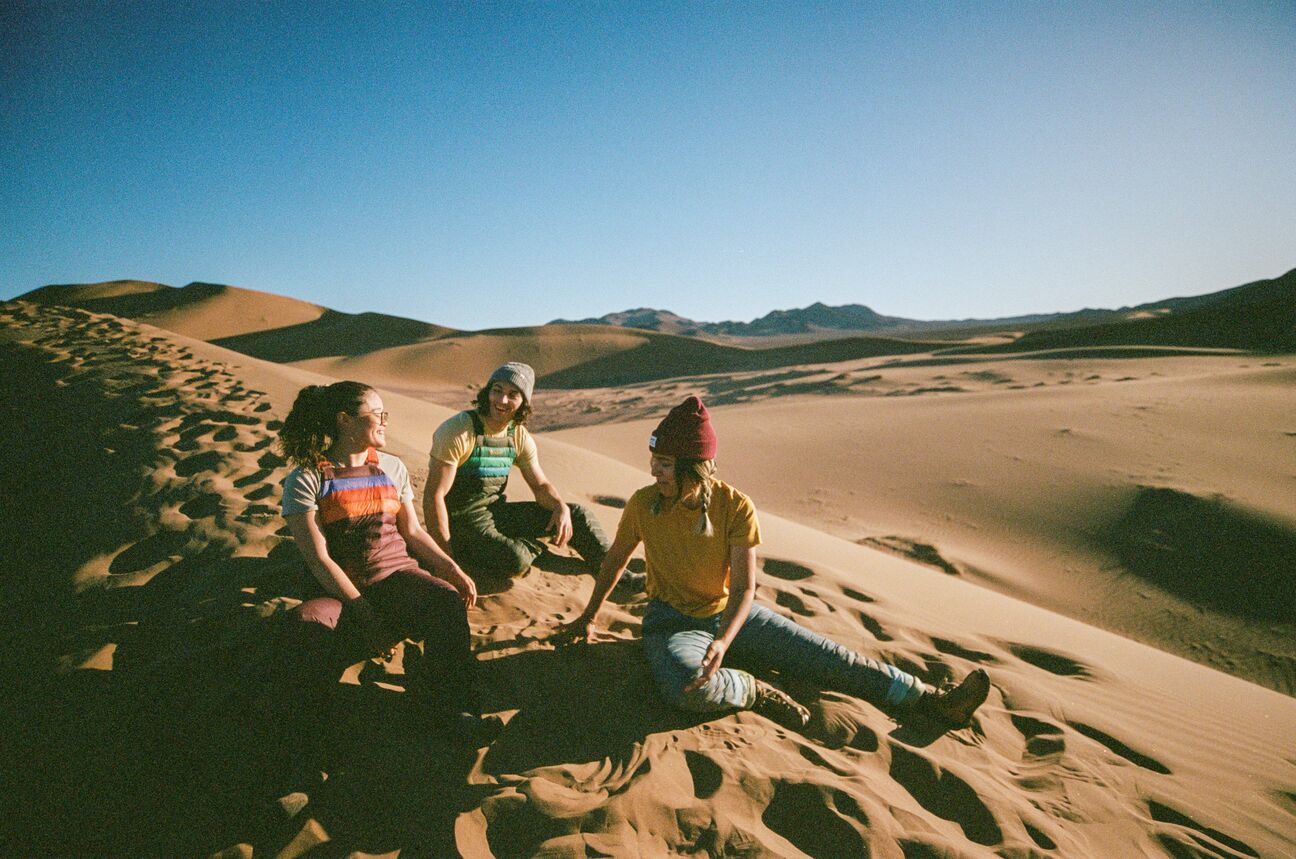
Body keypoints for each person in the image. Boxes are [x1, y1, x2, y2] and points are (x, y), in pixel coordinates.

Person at [560, 395, 990, 731]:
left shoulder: (735, 507)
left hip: (734, 618)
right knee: (687, 688)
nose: (655, 471)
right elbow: (616, 559)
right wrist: (589, 616)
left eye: (666, 464)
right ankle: (750, 689)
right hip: (672, 624)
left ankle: (931, 700)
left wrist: (724, 642)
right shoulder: (643, 504)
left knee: (836, 661)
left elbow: (746, 589)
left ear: (696, 468)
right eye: (654, 461)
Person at [277, 380, 500, 745]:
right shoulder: (307, 479)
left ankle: (453, 709)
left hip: (397, 579)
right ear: (345, 421)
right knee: (305, 624)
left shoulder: (392, 468)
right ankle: (313, 730)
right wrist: (364, 612)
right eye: (377, 414)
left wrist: (451, 568)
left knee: (445, 601)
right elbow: (319, 560)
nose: (384, 421)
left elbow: (413, 532)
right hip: (338, 592)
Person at [423, 362, 614, 582]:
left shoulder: (517, 436)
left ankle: (613, 573)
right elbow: (434, 496)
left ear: (524, 402)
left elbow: (540, 485)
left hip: (495, 513)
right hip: (460, 524)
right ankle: (529, 548)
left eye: (513, 394)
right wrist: (445, 558)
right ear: (487, 393)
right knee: (515, 560)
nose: (502, 400)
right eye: (497, 391)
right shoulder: (460, 430)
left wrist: (559, 506)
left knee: (577, 515)